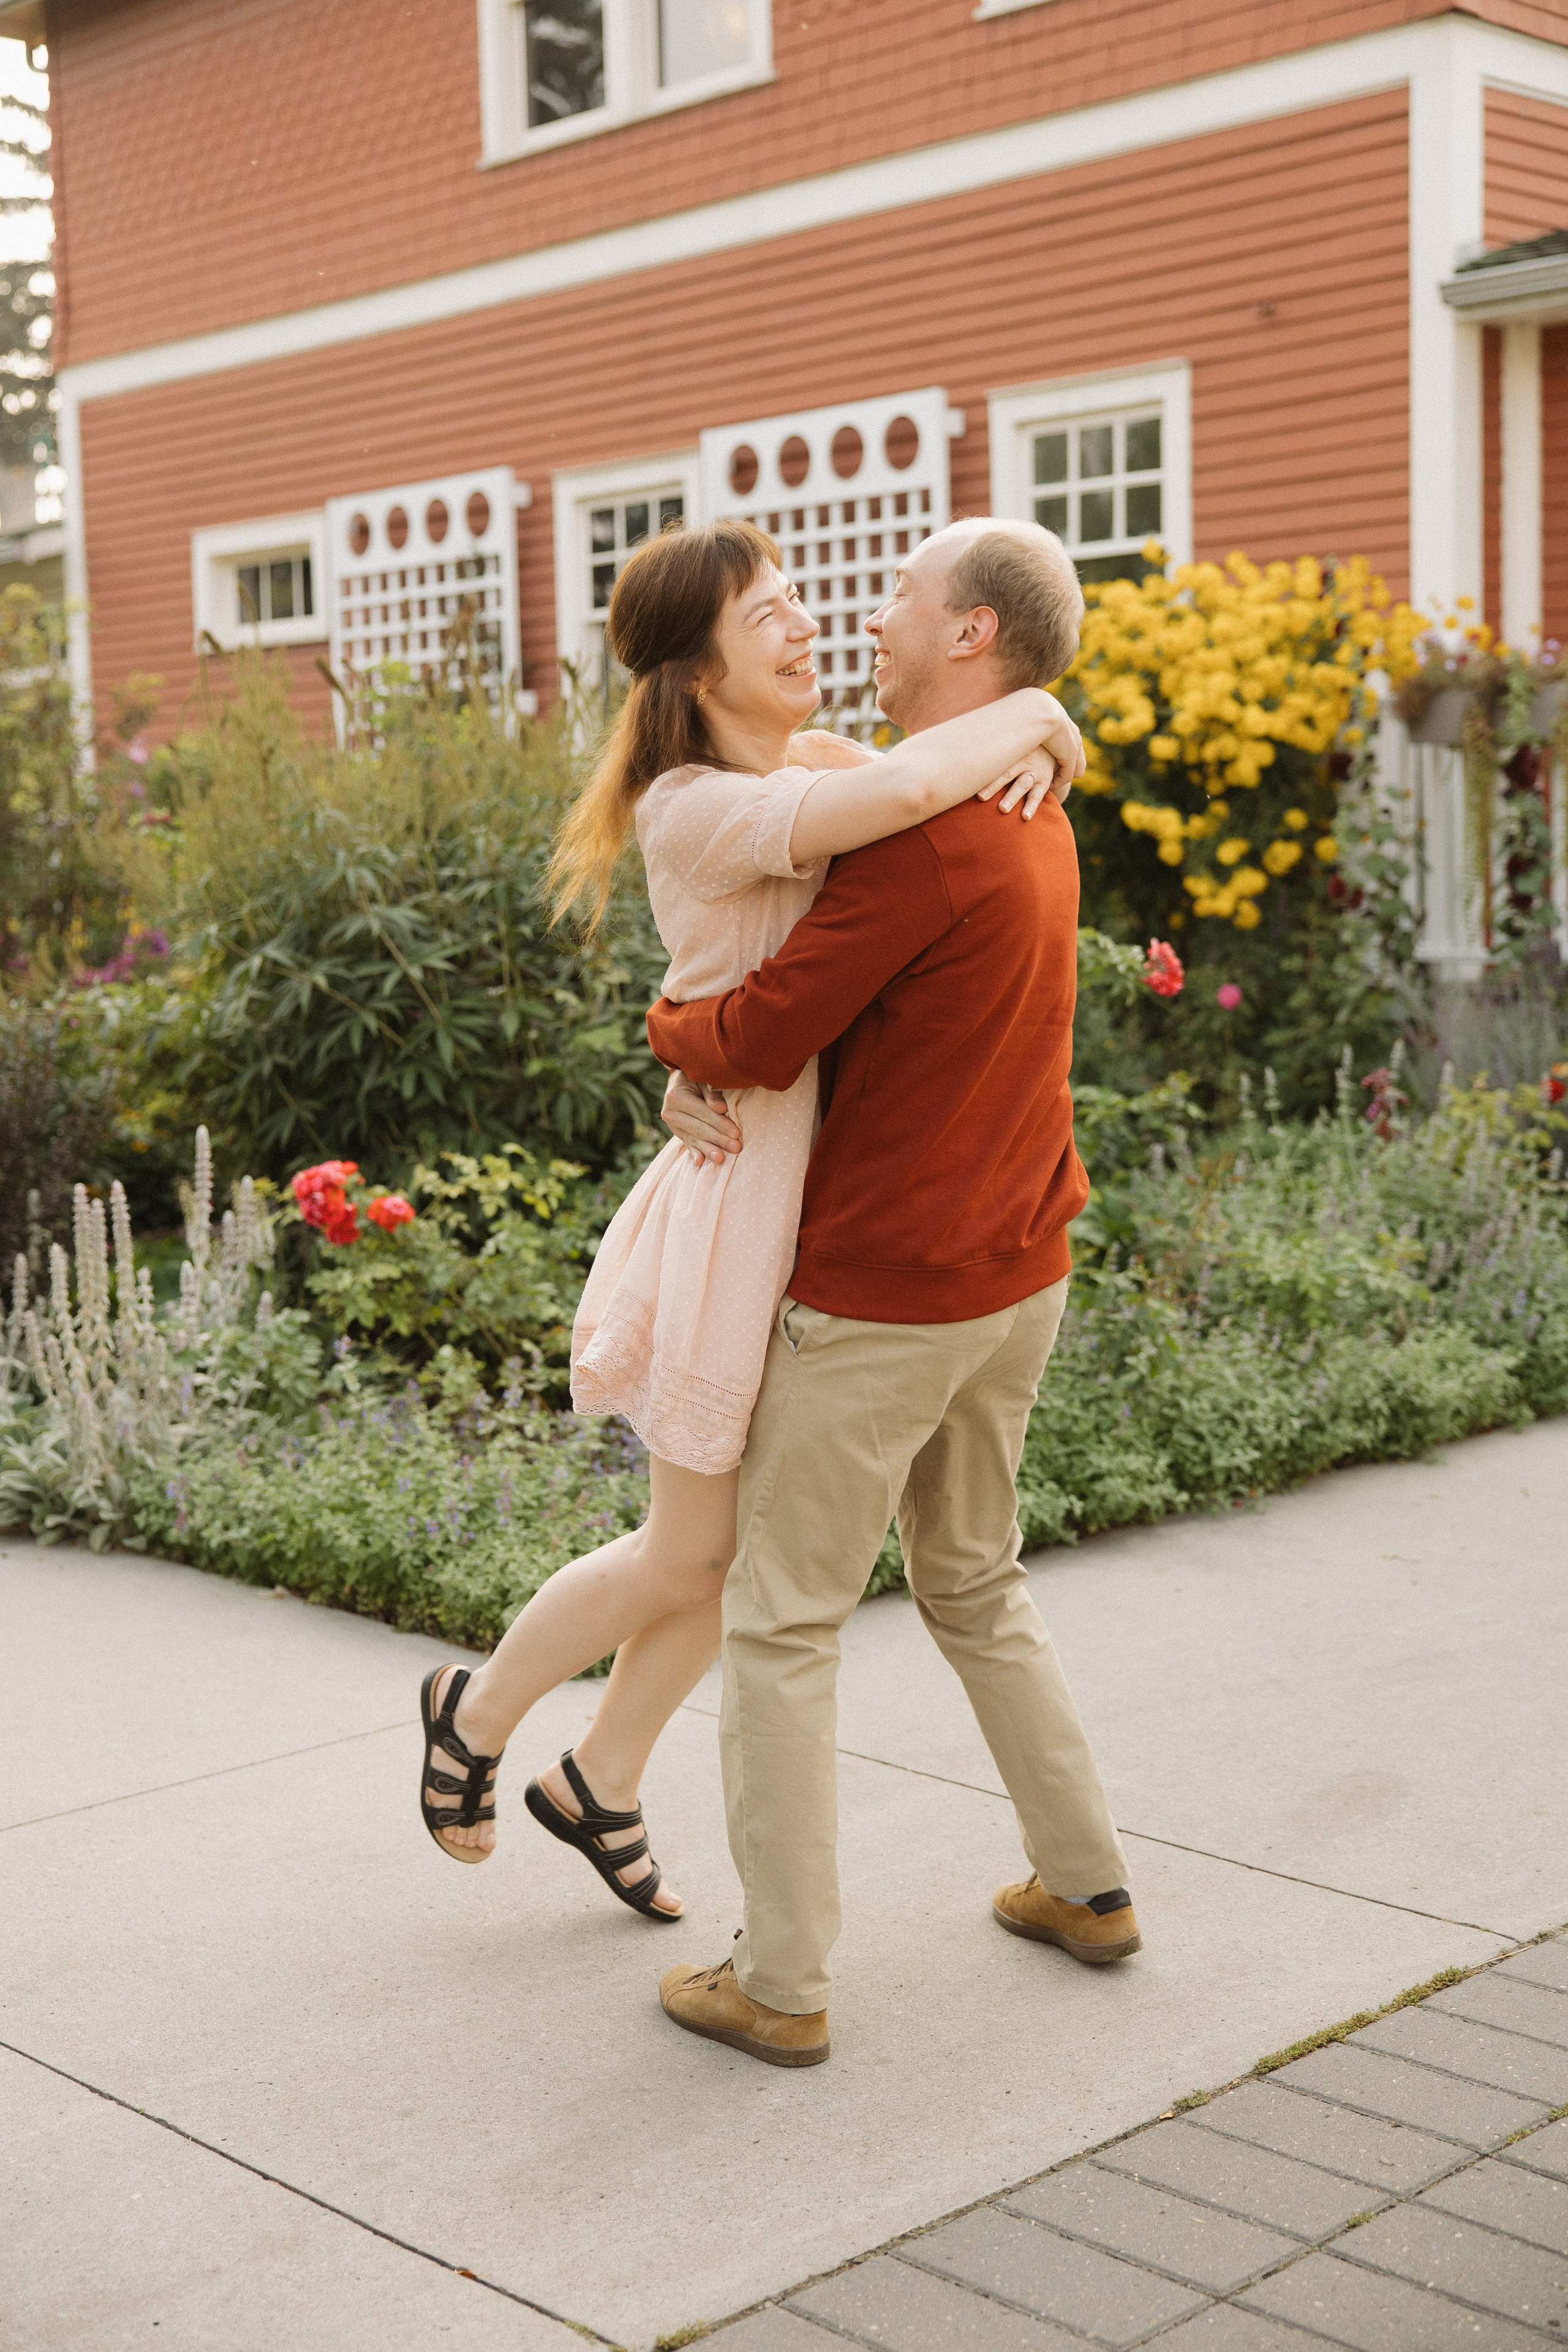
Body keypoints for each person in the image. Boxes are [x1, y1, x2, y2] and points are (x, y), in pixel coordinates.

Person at [416, 517, 1084, 1923]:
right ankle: (474, 1714)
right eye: (767, 612)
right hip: (738, 1206)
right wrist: (1037, 711)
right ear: (697, 666)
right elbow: (912, 800)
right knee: (690, 1554)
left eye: (800, 599)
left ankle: (598, 1778)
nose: (807, 625)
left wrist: (1035, 742)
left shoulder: (815, 763)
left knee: (734, 1560)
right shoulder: (695, 803)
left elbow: (925, 777)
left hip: (802, 1198)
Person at [649, 516, 1137, 2068]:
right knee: (974, 1579)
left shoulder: (931, 832)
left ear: (971, 637)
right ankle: (1088, 1886)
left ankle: (779, 1985)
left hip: (891, 1297)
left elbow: (758, 1031)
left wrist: (670, 1035)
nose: (873, 612)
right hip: (1021, 1271)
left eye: (904, 595)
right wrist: (1047, 723)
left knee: (782, 1621)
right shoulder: (1030, 798)